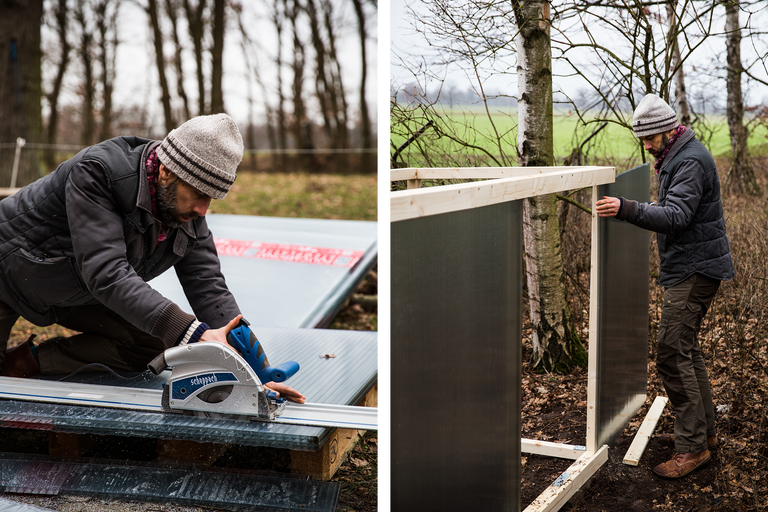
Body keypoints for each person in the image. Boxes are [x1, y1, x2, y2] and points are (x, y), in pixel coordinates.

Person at [0, 113, 304, 403]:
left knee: (149, 344)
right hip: (8, 270)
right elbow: (107, 273)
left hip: (69, 287)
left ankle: (26, 362)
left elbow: (207, 283)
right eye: (199, 193)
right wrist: (193, 334)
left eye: (211, 198)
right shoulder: (98, 172)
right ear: (166, 170)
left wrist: (254, 371)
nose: (203, 210)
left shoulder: (185, 209)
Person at [596, 94, 734, 479]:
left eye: (650, 138)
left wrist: (627, 208)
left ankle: (692, 449)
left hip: (693, 271)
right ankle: (703, 437)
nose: (646, 145)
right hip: (693, 267)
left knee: (672, 356)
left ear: (667, 129)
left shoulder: (688, 160)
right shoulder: (678, 154)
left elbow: (675, 216)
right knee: (687, 351)